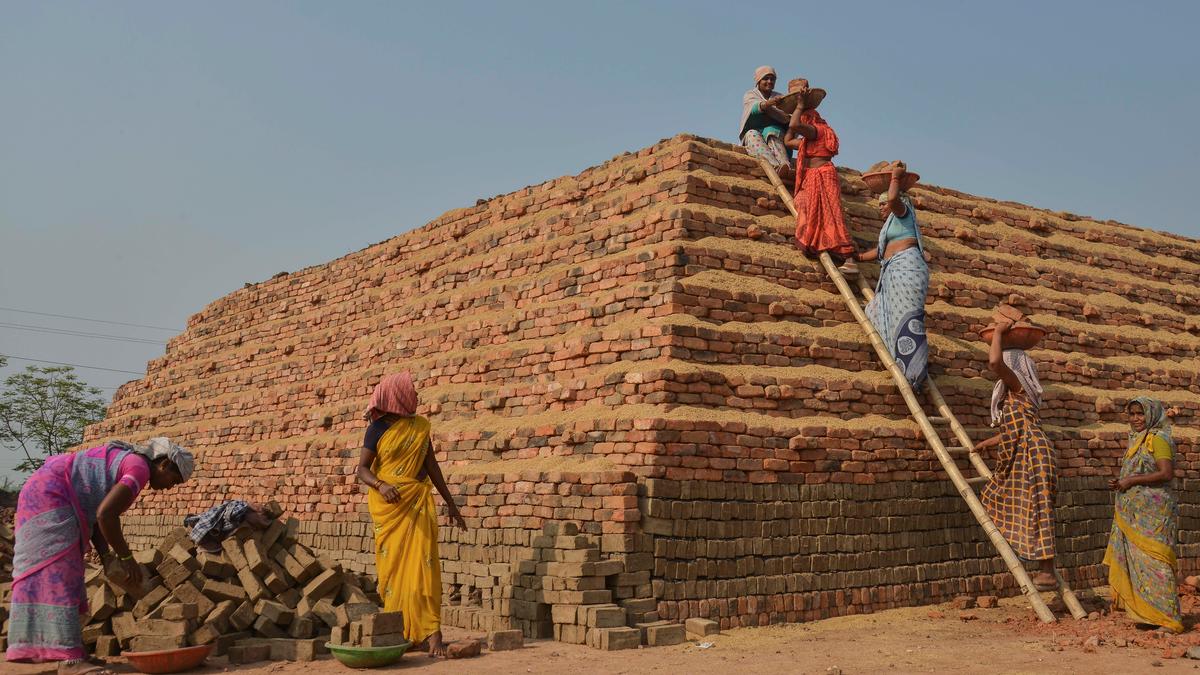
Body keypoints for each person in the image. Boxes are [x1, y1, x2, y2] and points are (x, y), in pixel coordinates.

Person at [6, 438, 193, 674]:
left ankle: (73, 650)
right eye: (173, 480)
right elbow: (106, 515)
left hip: (50, 490)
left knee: (71, 572)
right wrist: (126, 558)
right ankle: (70, 661)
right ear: (164, 464)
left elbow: (96, 513)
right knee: (59, 574)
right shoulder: (139, 469)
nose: (170, 488)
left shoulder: (132, 464)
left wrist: (106, 558)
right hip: (50, 495)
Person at [356, 372, 467, 657]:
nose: (417, 396)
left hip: (416, 503)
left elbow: (432, 466)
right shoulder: (376, 429)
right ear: (398, 396)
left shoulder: (419, 427)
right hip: (389, 507)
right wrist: (381, 485)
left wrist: (451, 503)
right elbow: (362, 470)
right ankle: (402, 631)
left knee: (423, 567)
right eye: (413, 391)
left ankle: (432, 634)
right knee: (393, 572)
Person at [974, 319, 1058, 591]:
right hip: (1031, 449)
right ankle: (1039, 564)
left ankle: (1047, 572)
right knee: (1031, 506)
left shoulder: (1017, 387)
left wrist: (998, 332)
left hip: (1032, 454)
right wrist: (990, 442)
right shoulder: (1021, 398)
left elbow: (994, 363)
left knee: (1037, 508)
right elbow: (1018, 427)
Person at [1103, 397, 1182, 633]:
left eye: (1141, 414)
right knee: (1140, 564)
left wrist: (1131, 480)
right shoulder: (1137, 439)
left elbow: (1166, 473)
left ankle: (1169, 620)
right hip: (1136, 515)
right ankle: (1149, 614)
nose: (1136, 419)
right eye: (1132, 414)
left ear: (1151, 415)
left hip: (1155, 516)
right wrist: (1122, 482)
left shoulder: (1158, 438)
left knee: (1157, 563)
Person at [860, 161, 930, 387]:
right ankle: (903, 366)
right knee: (880, 312)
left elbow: (892, 198)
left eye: (883, 204)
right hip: (894, 271)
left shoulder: (903, 212)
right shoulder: (890, 226)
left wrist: (896, 177)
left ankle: (915, 372)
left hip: (907, 270)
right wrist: (858, 257)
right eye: (879, 204)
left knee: (909, 319)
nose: (881, 208)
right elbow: (880, 252)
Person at [783, 79, 859, 275]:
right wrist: (795, 115)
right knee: (803, 204)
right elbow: (788, 140)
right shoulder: (808, 141)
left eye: (804, 118)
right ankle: (820, 244)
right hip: (812, 178)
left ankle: (849, 259)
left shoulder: (818, 131)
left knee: (832, 215)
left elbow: (795, 125)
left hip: (823, 175)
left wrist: (799, 106)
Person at [739, 66, 792, 180]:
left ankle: (784, 165)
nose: (769, 81)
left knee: (772, 131)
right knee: (751, 133)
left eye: (772, 79)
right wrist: (769, 104)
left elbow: (787, 118)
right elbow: (754, 108)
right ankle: (775, 166)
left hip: (776, 137)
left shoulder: (779, 97)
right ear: (758, 80)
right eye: (766, 78)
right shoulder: (751, 94)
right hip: (756, 137)